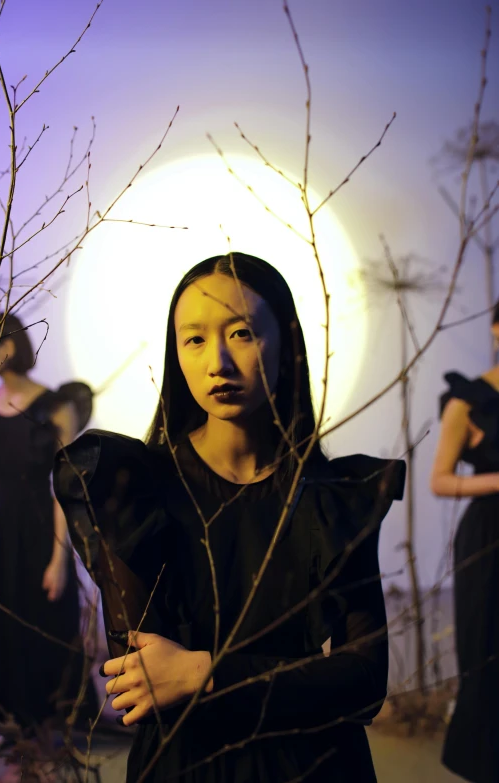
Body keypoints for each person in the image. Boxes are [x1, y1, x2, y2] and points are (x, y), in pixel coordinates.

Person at [54, 252, 405, 783]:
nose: (217, 360)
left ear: (286, 344)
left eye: (241, 333)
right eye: (194, 339)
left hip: (319, 767)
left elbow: (363, 683)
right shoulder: (134, 489)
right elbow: (141, 678)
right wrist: (298, 678)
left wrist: (204, 671)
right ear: (177, 354)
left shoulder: (335, 496)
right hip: (188, 765)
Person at [0, 313, 98, 779]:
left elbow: (64, 486)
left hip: (40, 534)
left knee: (42, 633)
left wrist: (59, 558)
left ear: (6, 347)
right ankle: (15, 747)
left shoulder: (53, 407)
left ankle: (45, 746)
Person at [431, 304, 499, 783]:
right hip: (490, 537)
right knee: (488, 648)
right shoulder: (469, 399)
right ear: (496, 330)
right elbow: (439, 479)